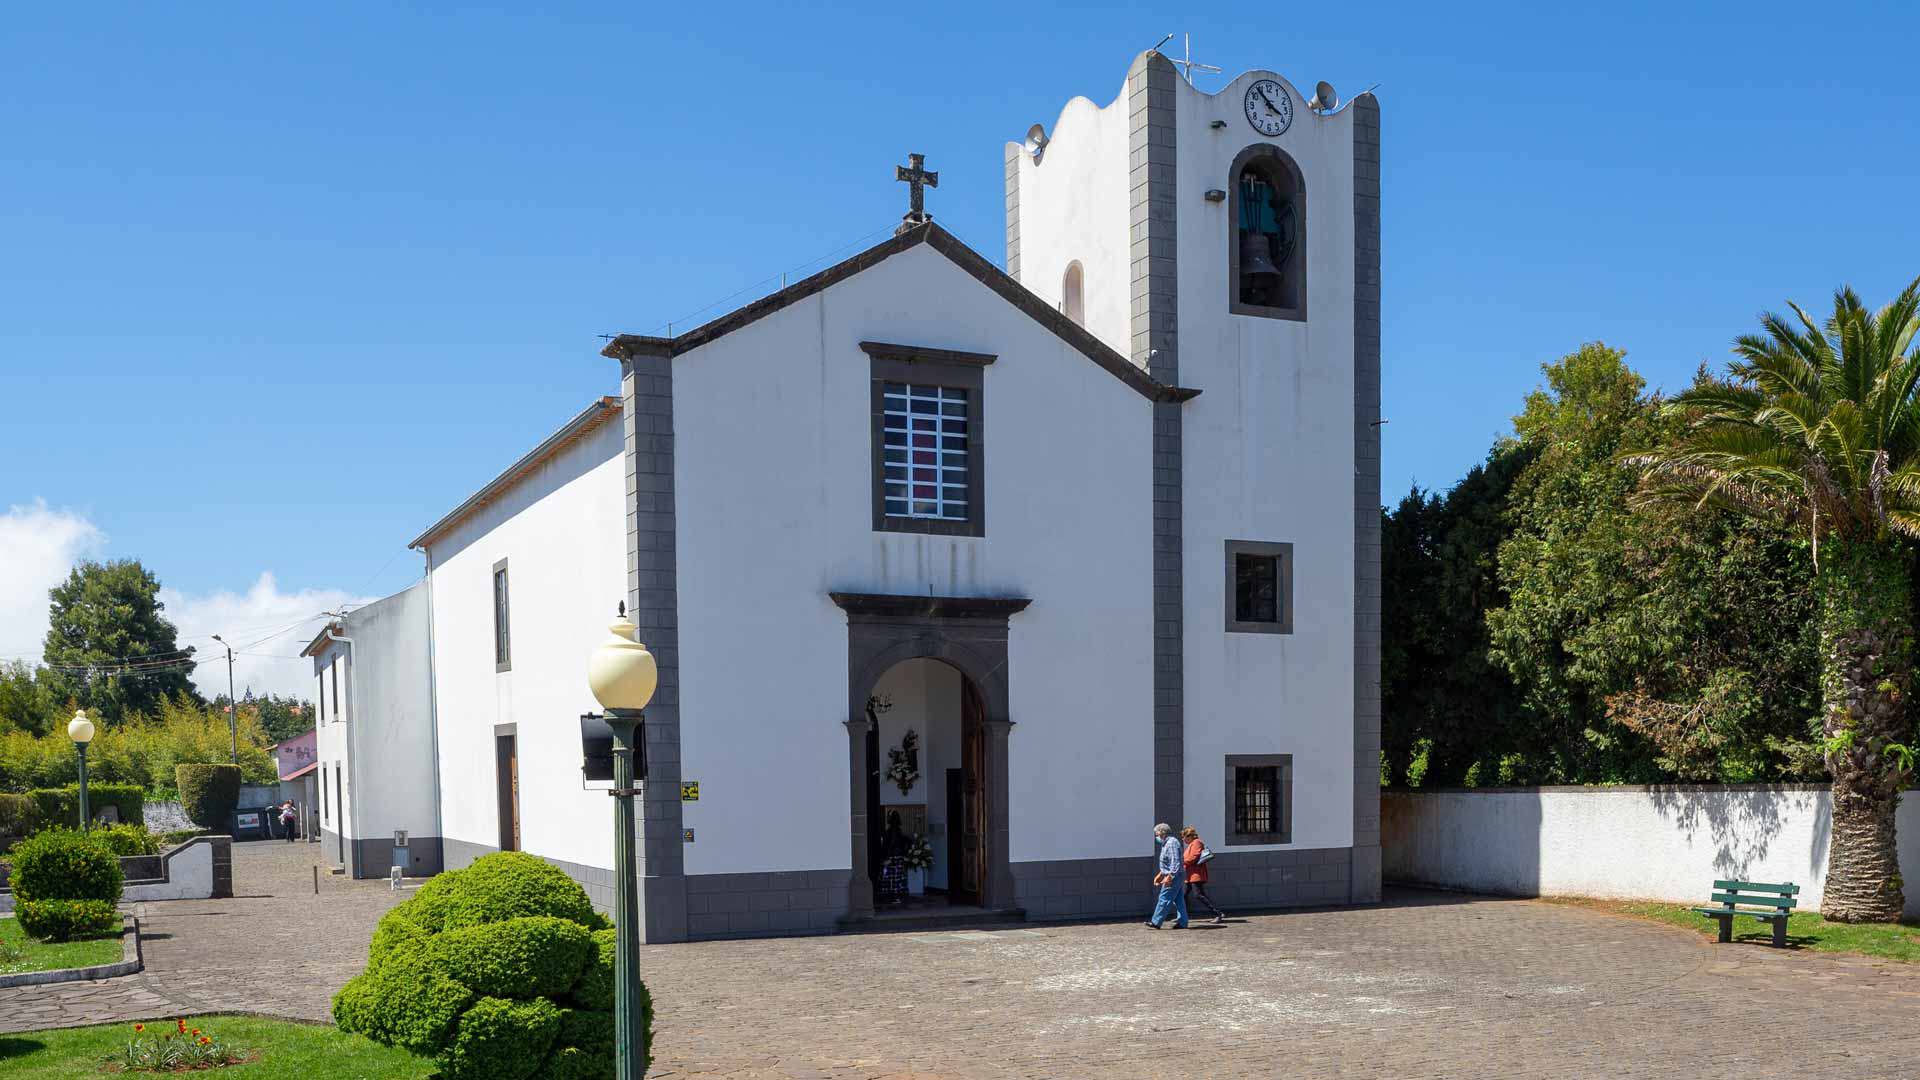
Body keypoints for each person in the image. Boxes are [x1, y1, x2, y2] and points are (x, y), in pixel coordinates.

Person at [1145, 822, 1188, 929]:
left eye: (1157, 833)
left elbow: (1175, 862)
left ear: (1162, 832)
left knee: (1164, 897)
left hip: (1174, 876)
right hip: (1174, 875)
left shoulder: (1171, 843)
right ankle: (1183, 922)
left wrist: (1169, 877)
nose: (1156, 836)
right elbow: (1167, 863)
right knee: (1178, 900)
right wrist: (1160, 875)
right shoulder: (1167, 843)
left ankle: (1156, 922)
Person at [1181, 826, 1226, 923]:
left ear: (1189, 836)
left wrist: (1182, 861)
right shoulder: (1191, 844)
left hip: (1196, 875)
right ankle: (1182, 916)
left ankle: (1217, 913)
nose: (1183, 839)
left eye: (1183, 837)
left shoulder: (1197, 842)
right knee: (1183, 895)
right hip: (1190, 875)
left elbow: (1194, 857)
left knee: (1198, 895)